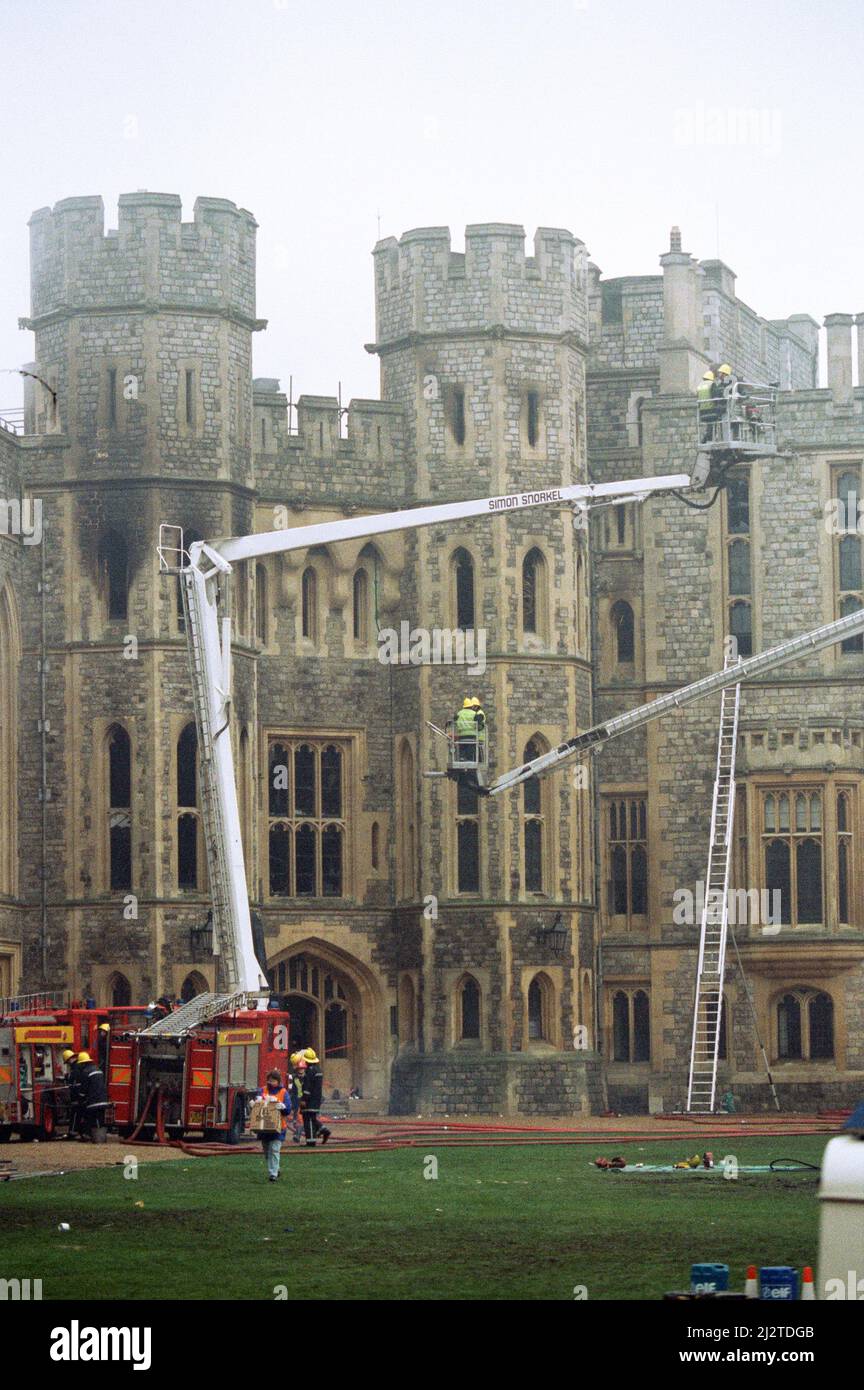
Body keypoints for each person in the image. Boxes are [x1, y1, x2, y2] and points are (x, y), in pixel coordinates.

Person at [254, 1069, 292, 1181]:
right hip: (264, 1127)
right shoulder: (263, 1090)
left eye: (273, 1080)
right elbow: (258, 1103)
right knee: (267, 1151)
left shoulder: (283, 1092)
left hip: (279, 1127)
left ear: (278, 1081)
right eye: (270, 1080)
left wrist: (283, 1107)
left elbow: (288, 1109)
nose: (271, 1083)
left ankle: (273, 1174)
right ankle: (276, 1168)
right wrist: (255, 1104)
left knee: (275, 1150)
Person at [300, 1049, 331, 1147]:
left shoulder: (310, 1071)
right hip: (317, 1098)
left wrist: (304, 1099)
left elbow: (307, 1087)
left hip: (310, 1100)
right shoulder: (318, 1070)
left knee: (308, 1120)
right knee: (312, 1118)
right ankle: (324, 1130)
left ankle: (311, 1141)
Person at [76, 1051, 109, 1142]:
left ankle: (96, 1138)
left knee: (93, 1119)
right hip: (103, 1099)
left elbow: (84, 1090)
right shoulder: (98, 1069)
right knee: (101, 1119)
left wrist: (80, 1098)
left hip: (94, 1101)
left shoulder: (86, 1072)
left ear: (82, 1064)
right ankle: (101, 1137)